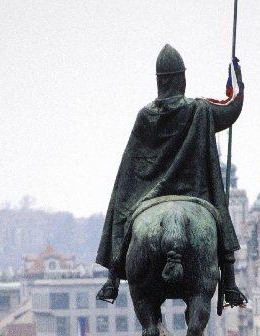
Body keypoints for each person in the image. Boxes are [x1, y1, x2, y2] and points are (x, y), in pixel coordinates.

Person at [96, 44, 247, 308]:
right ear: (182, 79)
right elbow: (231, 110)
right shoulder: (199, 110)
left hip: (150, 192)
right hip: (193, 192)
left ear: (159, 82)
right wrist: (238, 81)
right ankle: (230, 281)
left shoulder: (146, 115)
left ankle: (113, 276)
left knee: (122, 205)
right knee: (219, 218)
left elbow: (131, 166)